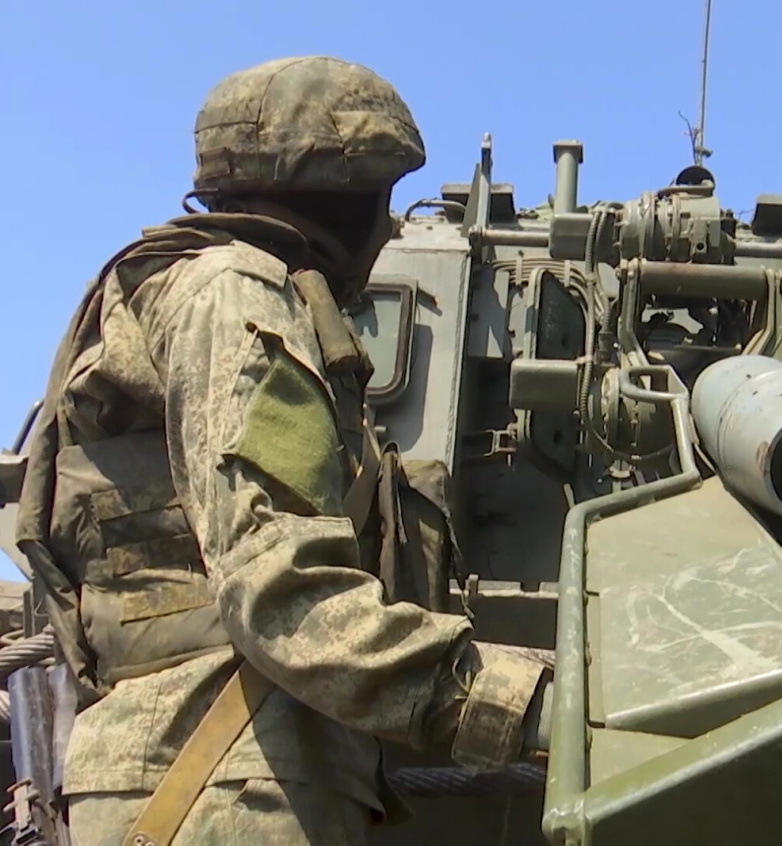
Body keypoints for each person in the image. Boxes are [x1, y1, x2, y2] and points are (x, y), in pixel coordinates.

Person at [15, 56, 550, 844]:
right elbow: (282, 590)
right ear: (345, 198)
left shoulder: (183, 288)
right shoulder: (237, 294)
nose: (390, 229)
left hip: (204, 764)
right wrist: (515, 700)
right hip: (227, 777)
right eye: (384, 199)